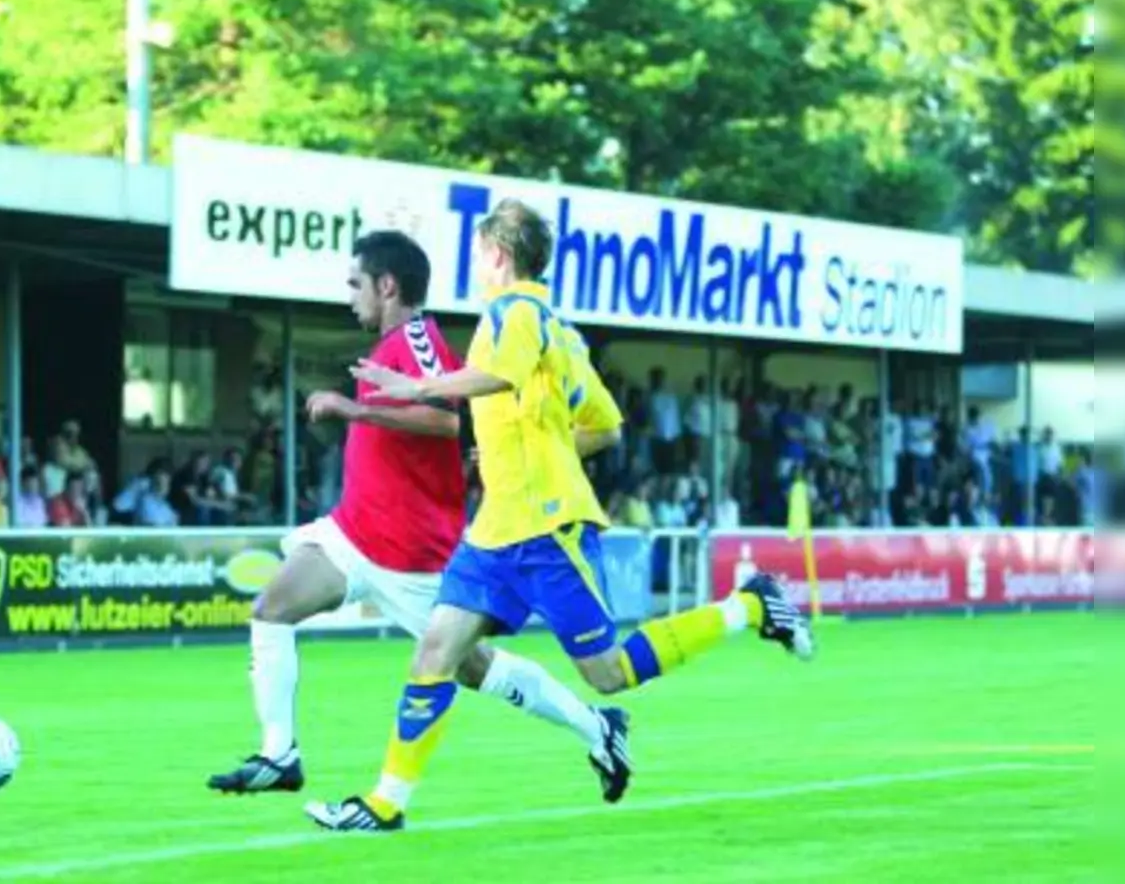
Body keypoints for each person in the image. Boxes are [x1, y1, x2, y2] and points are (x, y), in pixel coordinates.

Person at [307, 199, 813, 832]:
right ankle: (385, 804)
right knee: (435, 653)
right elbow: (603, 426)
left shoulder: (514, 312)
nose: (475, 265)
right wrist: (524, 445)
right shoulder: (561, 331)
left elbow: (494, 378)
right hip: (495, 531)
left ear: (496, 254)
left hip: (548, 530)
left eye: (477, 254)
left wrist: (418, 387)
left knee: (610, 672)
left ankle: (752, 605)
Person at [208, 230, 627, 802]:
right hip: (355, 531)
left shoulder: (417, 338)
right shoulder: (387, 346)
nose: (349, 297)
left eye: (356, 285)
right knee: (272, 607)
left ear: (388, 286)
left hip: (412, 551)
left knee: (474, 669)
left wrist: (355, 409)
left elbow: (457, 423)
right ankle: (280, 754)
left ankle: (597, 725)